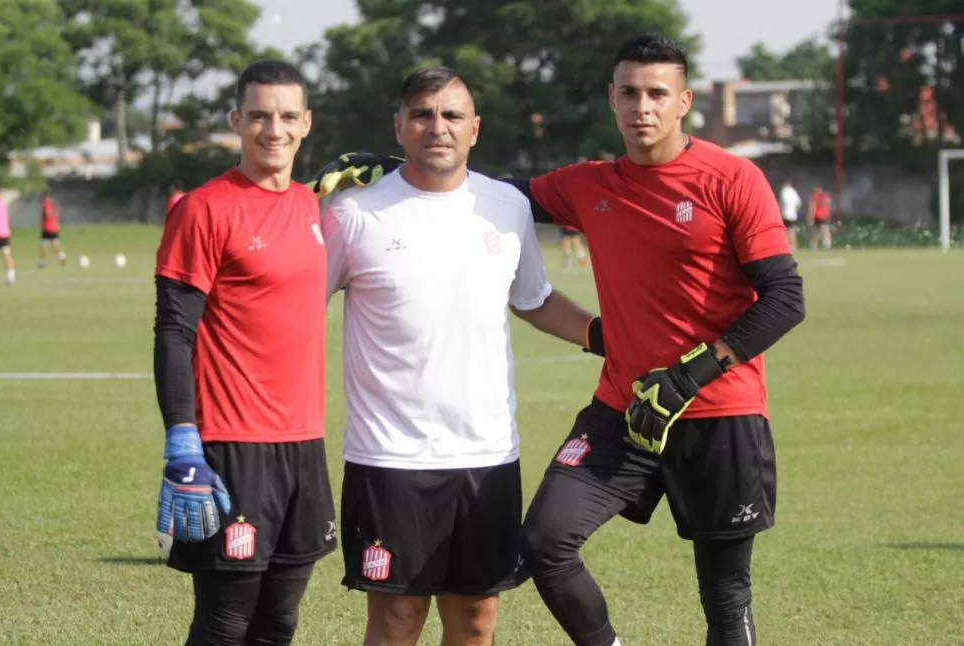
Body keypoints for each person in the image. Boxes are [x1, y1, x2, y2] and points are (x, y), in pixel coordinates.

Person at [310, 33, 806, 646]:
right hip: (623, 409)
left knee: (725, 598)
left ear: (684, 101)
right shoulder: (588, 183)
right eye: (629, 92)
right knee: (545, 540)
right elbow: (487, 185)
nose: (641, 107)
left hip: (719, 411)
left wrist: (690, 375)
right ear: (612, 98)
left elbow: (785, 299)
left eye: (657, 93)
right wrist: (401, 165)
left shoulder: (734, 178)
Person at [318, 67, 603, 646]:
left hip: (487, 452)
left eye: (451, 116)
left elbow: (534, 299)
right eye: (422, 114)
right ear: (399, 127)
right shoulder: (354, 213)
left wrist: (606, 337)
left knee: (476, 620)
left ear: (475, 129)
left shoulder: (506, 206)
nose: (437, 127)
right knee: (397, 620)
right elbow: (296, 301)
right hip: (389, 455)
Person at [152, 59, 335, 646]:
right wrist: (183, 439)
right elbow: (173, 332)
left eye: (286, 116)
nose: (272, 130)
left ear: (306, 123)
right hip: (233, 445)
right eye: (258, 115)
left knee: (279, 620)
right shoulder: (203, 209)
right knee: (226, 620)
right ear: (236, 120)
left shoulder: (313, 206)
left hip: (304, 443)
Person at [38, 191, 67, 268]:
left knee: (44, 244)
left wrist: (47, 216)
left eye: (42, 196)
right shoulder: (53, 205)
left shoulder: (46, 205)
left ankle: (43, 262)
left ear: (45, 197)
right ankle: (62, 257)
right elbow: (56, 215)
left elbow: (48, 214)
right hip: (54, 227)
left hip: (48, 227)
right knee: (55, 243)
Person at [0, 188, 16, 285]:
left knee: (5, 255)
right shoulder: (2, 204)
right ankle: (11, 276)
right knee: (6, 254)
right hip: (4, 233)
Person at [808, 184, 832, 250]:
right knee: (818, 231)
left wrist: (810, 217)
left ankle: (821, 245)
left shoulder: (819, 196)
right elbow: (828, 205)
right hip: (819, 216)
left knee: (821, 231)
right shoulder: (823, 196)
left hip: (821, 216)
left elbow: (812, 207)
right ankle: (821, 245)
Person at [779, 179, 801, 250]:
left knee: (786, 230)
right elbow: (798, 203)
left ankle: (788, 244)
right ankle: (794, 244)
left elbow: (782, 202)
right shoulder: (793, 191)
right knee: (792, 229)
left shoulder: (784, 191)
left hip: (785, 213)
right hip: (793, 215)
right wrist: (795, 211)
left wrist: (781, 212)